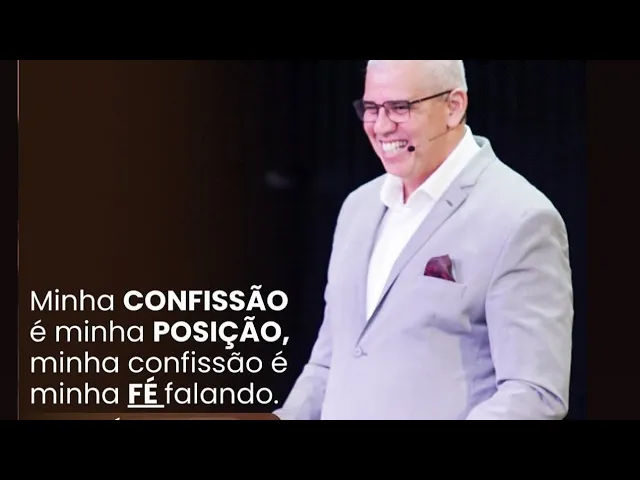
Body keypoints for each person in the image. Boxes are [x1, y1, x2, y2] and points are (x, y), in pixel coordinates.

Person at [274, 60, 574, 420]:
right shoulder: (358, 207)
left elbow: (534, 393)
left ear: (454, 107)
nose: (381, 126)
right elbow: (329, 364)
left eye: (400, 107)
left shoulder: (520, 217)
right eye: (371, 108)